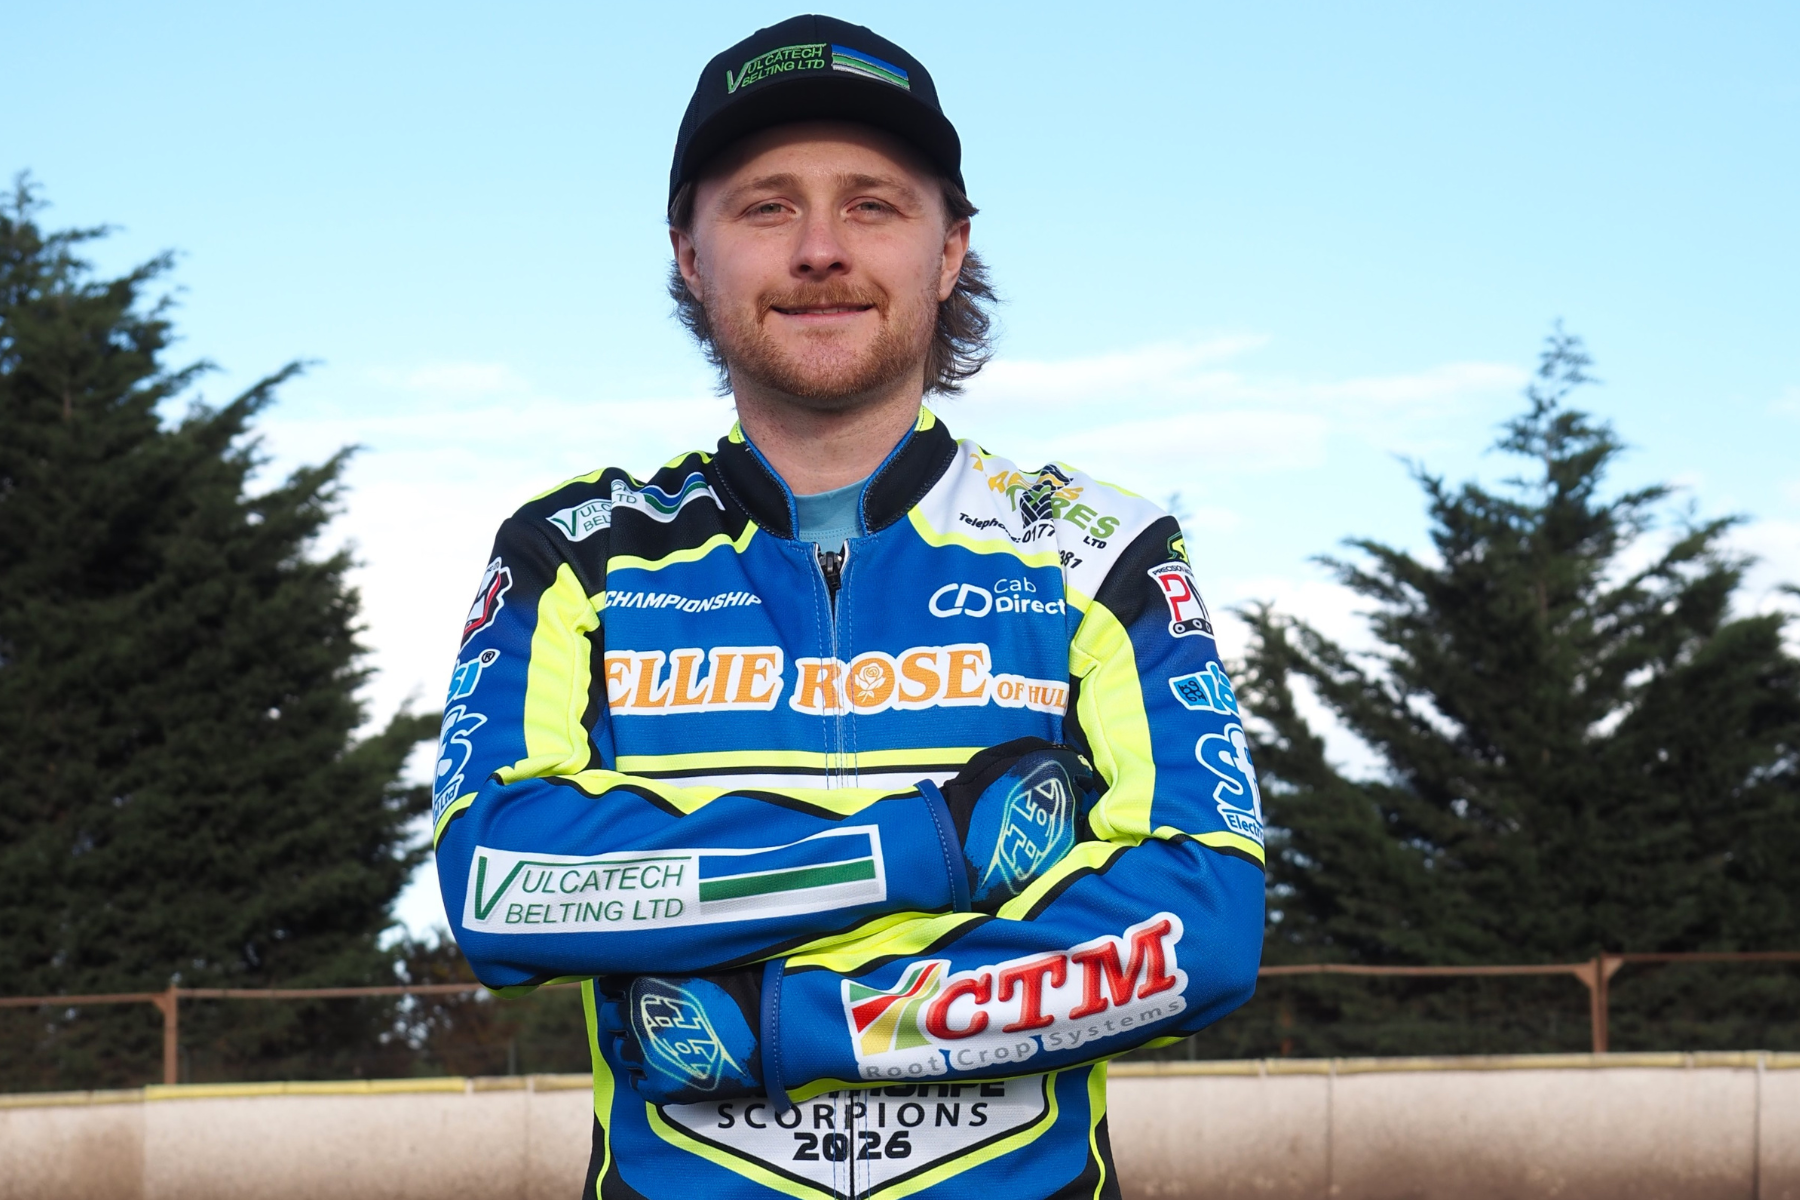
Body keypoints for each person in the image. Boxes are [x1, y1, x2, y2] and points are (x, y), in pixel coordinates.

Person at [433, 15, 1264, 1199]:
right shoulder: (573, 555)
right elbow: (505, 888)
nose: (820, 249)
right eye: (766, 207)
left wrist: (790, 1026)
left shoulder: (1103, 552)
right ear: (689, 254)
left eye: (872, 205)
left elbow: (1203, 928)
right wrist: (930, 851)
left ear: (949, 250)